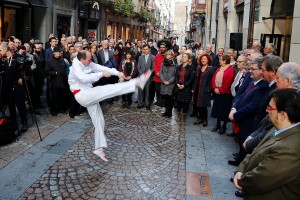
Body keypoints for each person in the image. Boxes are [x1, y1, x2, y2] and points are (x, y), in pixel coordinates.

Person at [68, 50, 151, 161]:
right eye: (89, 60)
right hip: (83, 95)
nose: (91, 61)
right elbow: (85, 78)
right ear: (82, 60)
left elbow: (100, 67)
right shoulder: (75, 67)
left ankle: (99, 148)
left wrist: (118, 73)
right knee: (108, 89)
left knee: (99, 121)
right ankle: (136, 83)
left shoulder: (87, 62)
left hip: (88, 93)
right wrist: (101, 75)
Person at [233, 88, 300, 199]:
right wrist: (241, 169)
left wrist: (241, 179)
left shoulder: (290, 148)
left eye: (270, 107)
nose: (266, 110)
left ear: (282, 115)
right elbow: (255, 152)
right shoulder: (276, 128)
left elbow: (261, 180)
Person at [211, 55, 235, 134]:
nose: (219, 61)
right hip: (217, 92)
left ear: (225, 61)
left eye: (221, 60)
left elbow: (228, 82)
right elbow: (213, 79)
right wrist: (215, 88)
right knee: (217, 109)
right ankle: (218, 124)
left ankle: (224, 126)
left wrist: (220, 90)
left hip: (225, 94)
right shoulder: (218, 69)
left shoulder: (231, 70)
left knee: (224, 110)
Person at [192, 53, 214, 127]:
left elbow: (212, 80)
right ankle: (200, 118)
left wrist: (209, 88)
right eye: (202, 59)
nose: (203, 60)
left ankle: (205, 120)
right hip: (197, 89)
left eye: (204, 59)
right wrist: (193, 88)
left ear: (208, 60)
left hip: (205, 90)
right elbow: (195, 79)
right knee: (197, 104)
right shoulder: (198, 68)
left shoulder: (210, 69)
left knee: (203, 106)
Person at [174, 53, 194, 122]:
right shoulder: (179, 67)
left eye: (185, 57)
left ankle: (183, 116)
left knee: (185, 102)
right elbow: (176, 76)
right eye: (183, 57)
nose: (184, 58)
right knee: (179, 101)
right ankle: (179, 115)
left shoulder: (191, 67)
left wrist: (184, 85)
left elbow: (191, 78)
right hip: (179, 87)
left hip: (186, 87)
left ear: (188, 59)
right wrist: (177, 84)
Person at [159, 50, 177, 117]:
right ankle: (166, 112)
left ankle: (170, 113)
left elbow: (175, 75)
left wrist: (169, 81)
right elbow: (161, 73)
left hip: (171, 84)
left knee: (170, 99)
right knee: (165, 98)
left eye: (169, 54)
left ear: (172, 55)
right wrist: (163, 81)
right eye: (167, 54)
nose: (167, 55)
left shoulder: (175, 64)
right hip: (164, 83)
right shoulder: (163, 63)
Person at [137, 44, 154, 110]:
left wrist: (148, 74)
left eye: (146, 49)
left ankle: (147, 104)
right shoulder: (140, 57)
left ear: (149, 49)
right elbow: (138, 67)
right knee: (140, 91)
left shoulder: (153, 57)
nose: (145, 50)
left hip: (149, 77)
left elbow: (153, 68)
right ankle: (140, 103)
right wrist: (142, 74)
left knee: (148, 91)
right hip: (141, 77)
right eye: (144, 49)